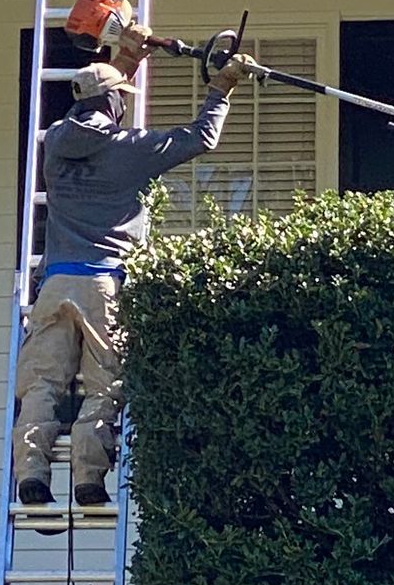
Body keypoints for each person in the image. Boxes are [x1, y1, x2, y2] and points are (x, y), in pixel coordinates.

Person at [13, 51, 244, 510]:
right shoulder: (128, 149)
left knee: (41, 384)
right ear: (116, 102)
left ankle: (32, 473)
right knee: (104, 384)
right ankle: (88, 479)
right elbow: (202, 137)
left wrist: (126, 59)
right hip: (103, 284)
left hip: (55, 283)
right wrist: (222, 88)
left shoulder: (56, 140)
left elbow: (94, 107)